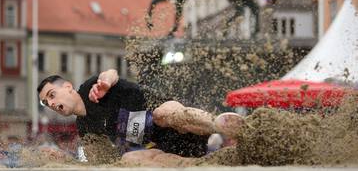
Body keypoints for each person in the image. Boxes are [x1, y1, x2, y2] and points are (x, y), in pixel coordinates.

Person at [37, 69, 244, 164]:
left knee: (162, 114)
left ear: (67, 87)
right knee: (129, 158)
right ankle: (198, 165)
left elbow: (110, 73)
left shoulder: (92, 87)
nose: (52, 104)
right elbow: (100, 162)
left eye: (52, 95)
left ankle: (221, 125)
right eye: (46, 103)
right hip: (170, 149)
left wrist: (106, 84)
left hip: (182, 122)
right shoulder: (85, 127)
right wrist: (67, 161)